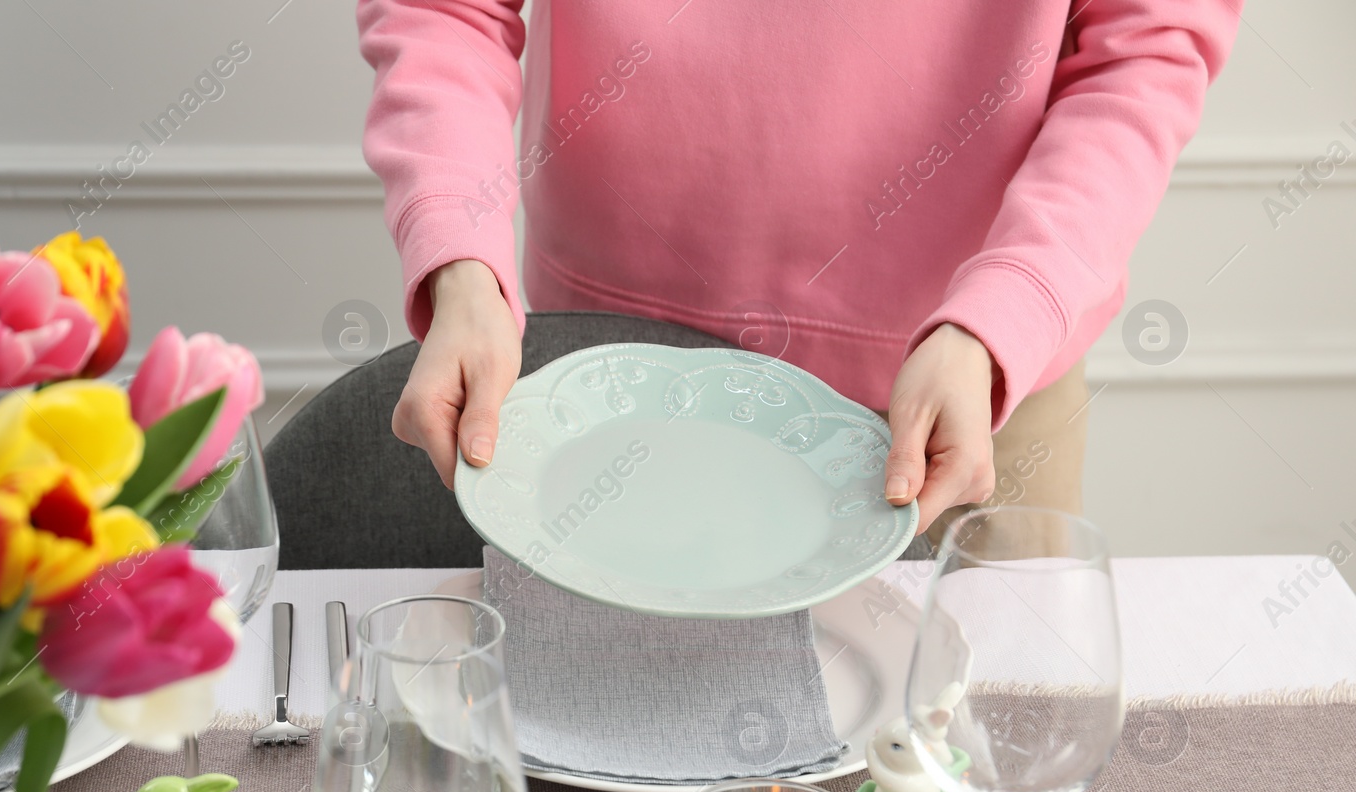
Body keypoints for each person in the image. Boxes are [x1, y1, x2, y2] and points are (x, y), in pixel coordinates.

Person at [356, 0, 1238, 536]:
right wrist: (462, 259)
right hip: (605, 386)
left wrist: (1001, 318)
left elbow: (1142, 57)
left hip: (967, 400)